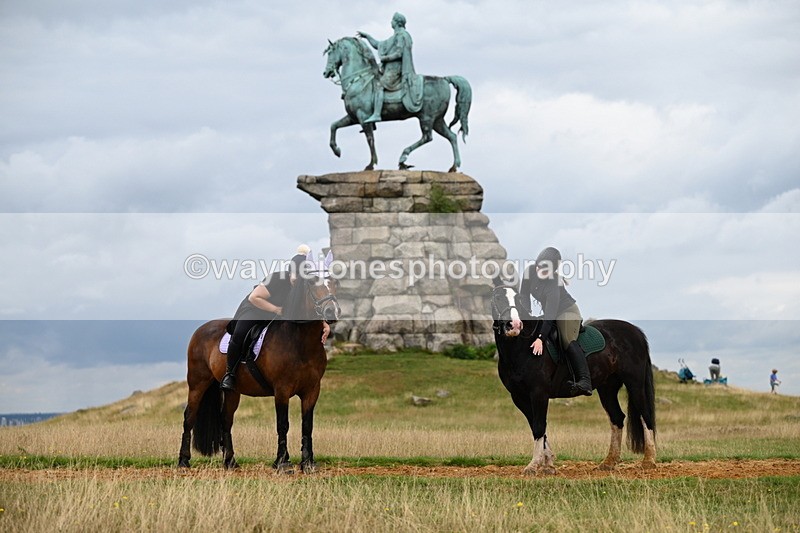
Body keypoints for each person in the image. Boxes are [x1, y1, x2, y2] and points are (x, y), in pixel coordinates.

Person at [220, 245, 331, 392]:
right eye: (296, 275)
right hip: (256, 309)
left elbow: (310, 308)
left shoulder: (303, 288)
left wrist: (325, 324)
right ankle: (230, 374)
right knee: (240, 333)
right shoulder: (277, 278)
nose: (298, 280)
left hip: (280, 315)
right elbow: (255, 297)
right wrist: (276, 310)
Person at [520, 247, 592, 396]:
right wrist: (525, 313)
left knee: (566, 339)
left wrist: (540, 339)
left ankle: (584, 380)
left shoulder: (553, 284)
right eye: (540, 267)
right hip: (549, 312)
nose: (541, 272)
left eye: (546, 271)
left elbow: (550, 315)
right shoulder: (529, 272)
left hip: (567, 312)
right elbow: (524, 295)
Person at [357, 12, 421, 123]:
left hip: (396, 70)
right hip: (390, 69)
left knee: (379, 85)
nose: (391, 22)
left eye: (392, 20)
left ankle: (377, 114)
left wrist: (386, 58)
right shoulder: (394, 37)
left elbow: (399, 53)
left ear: (396, 22)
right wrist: (367, 37)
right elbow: (378, 45)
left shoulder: (402, 35)